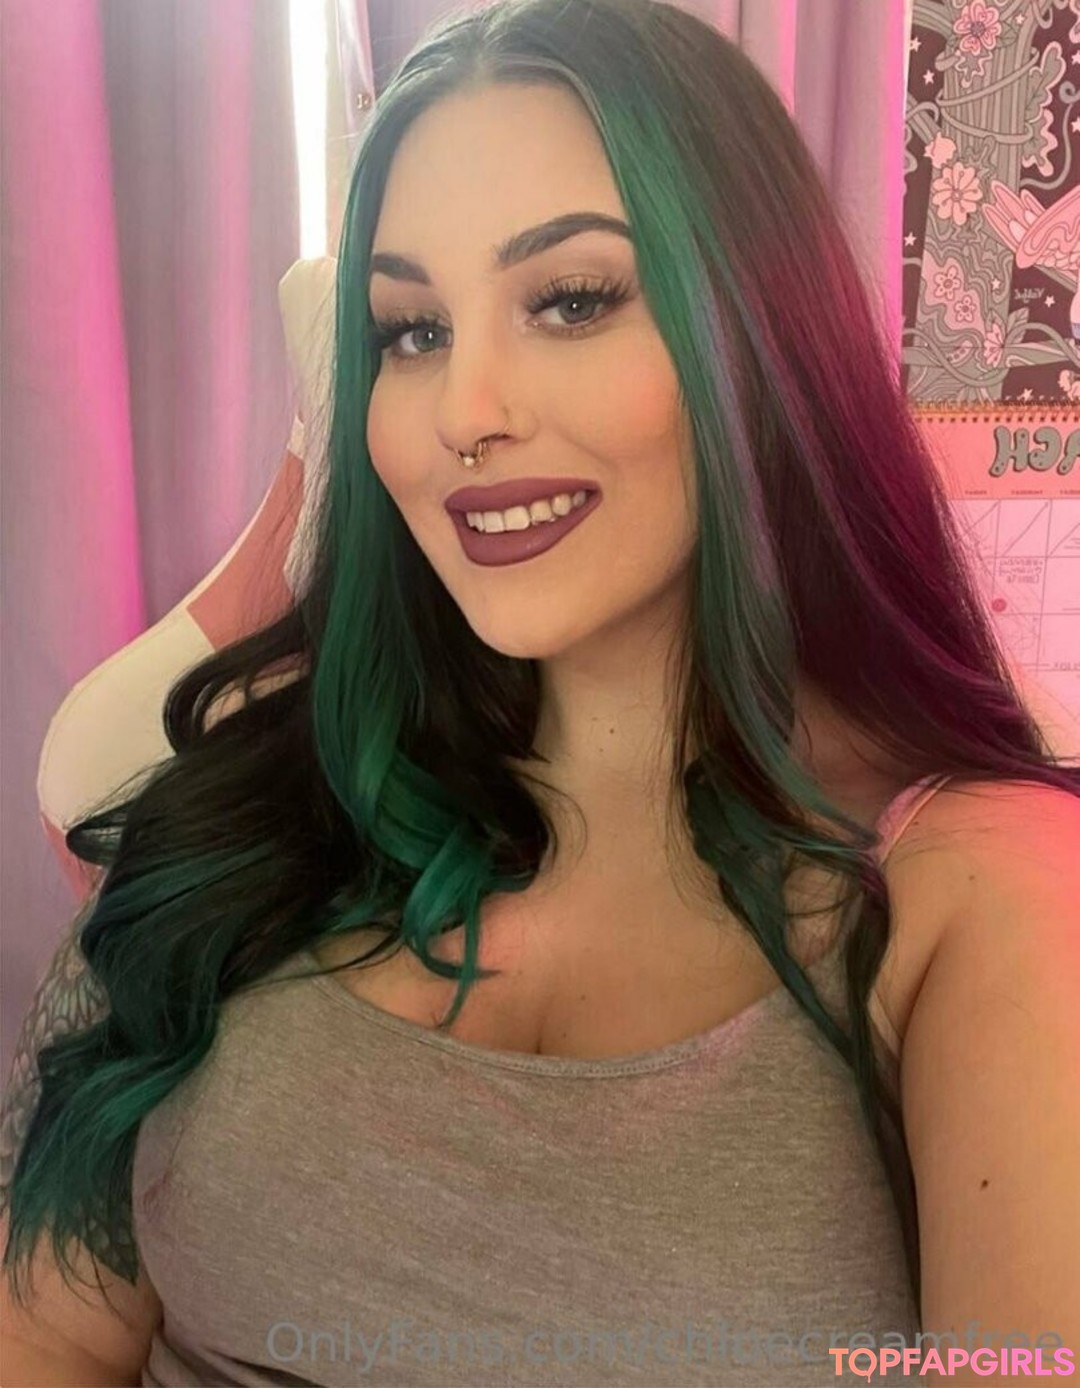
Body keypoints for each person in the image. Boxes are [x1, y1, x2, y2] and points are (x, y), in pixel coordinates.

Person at [3, 0, 1079, 1384]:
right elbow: (43, 1331)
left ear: (763, 334)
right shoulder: (243, 813)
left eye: (572, 300)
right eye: (410, 331)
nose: (465, 412)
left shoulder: (982, 894)